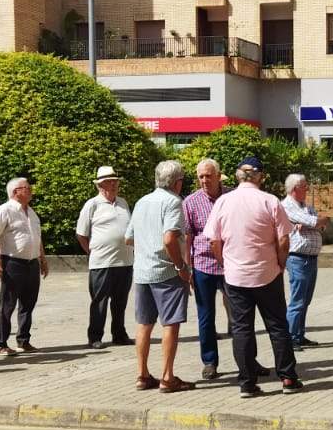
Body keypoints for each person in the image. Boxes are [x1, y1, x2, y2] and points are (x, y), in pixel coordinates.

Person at [203, 157, 300, 396]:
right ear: (260, 177)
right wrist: (280, 263)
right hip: (267, 271)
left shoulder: (224, 202)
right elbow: (284, 239)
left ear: (237, 176)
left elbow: (214, 240)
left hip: (235, 275)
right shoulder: (270, 201)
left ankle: (247, 382)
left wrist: (224, 263)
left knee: (241, 329)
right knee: (277, 326)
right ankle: (287, 378)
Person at [129, 159, 193, 393]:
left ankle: (142, 374)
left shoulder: (142, 201)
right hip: (166, 271)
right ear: (177, 182)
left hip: (142, 271)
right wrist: (181, 267)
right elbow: (169, 238)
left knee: (144, 324)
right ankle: (168, 377)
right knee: (170, 324)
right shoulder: (174, 202)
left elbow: (129, 237)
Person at [0, 176, 47, 356]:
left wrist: (42, 259)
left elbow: (37, 238)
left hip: (32, 263)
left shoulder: (32, 213)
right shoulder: (3, 211)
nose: (30, 190)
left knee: (28, 304)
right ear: (15, 192)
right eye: (26, 188)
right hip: (12, 263)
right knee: (8, 304)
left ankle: (24, 340)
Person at [75, 166, 134, 349]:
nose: (115, 184)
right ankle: (95, 337)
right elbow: (81, 234)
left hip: (124, 261)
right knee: (99, 301)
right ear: (100, 185)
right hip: (102, 262)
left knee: (120, 301)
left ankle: (119, 334)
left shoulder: (123, 203)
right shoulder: (92, 204)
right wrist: (91, 251)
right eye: (110, 182)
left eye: (116, 181)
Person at [183, 157, 228, 379]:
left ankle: (248, 359)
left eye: (208, 176)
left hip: (231, 265)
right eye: (200, 176)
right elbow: (188, 237)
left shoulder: (232, 197)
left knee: (240, 316)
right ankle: (209, 361)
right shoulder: (190, 202)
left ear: (218, 176)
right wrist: (188, 268)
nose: (203, 180)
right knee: (205, 316)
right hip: (203, 265)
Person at [282, 173, 328, 350]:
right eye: (305, 186)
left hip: (311, 258)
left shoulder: (306, 207)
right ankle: (290, 338)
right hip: (297, 259)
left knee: (305, 300)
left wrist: (315, 223)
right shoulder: (286, 206)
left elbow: (323, 222)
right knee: (297, 300)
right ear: (295, 189)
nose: (307, 189)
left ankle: (299, 335)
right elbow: (315, 221)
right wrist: (314, 223)